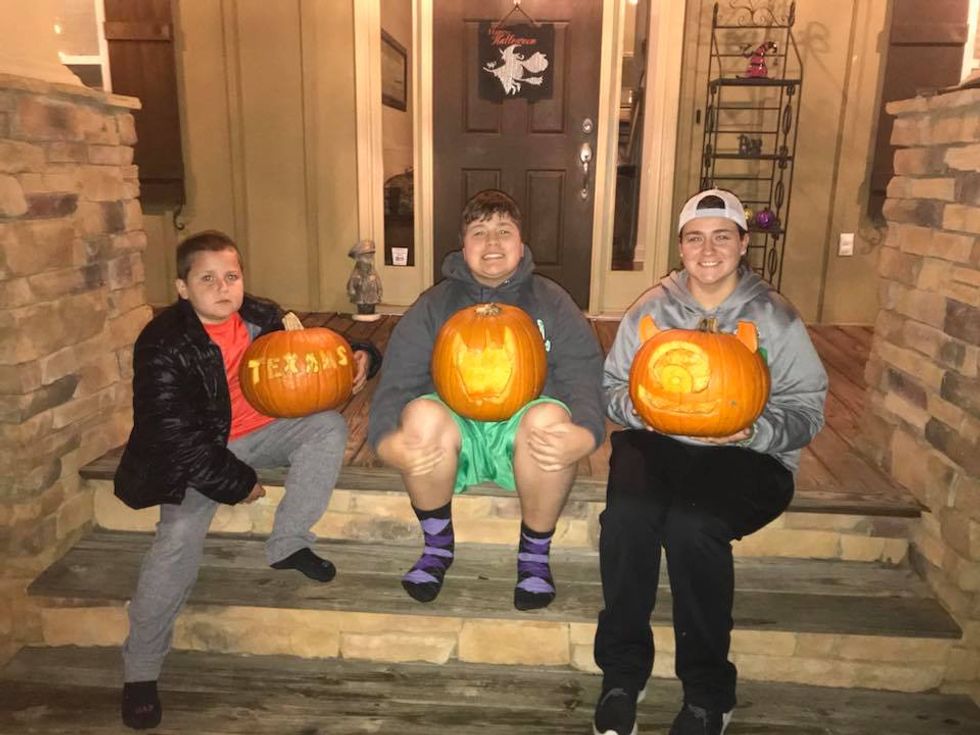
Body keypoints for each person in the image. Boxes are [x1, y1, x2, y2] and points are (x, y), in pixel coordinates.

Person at [114, 230, 381, 730]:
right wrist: (237, 482)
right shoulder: (163, 343)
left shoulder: (261, 316)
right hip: (197, 454)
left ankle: (288, 541)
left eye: (231, 276)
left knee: (326, 426)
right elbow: (174, 435)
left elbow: (314, 348)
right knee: (175, 541)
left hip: (264, 431)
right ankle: (141, 671)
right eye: (207, 279)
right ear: (182, 288)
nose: (223, 287)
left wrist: (363, 354)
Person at [592, 189, 827, 735]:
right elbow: (611, 388)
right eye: (695, 238)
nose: (708, 250)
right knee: (626, 519)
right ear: (681, 247)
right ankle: (622, 674)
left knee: (692, 527)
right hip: (658, 441)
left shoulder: (774, 318)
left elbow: (807, 410)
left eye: (722, 237)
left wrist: (757, 430)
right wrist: (643, 410)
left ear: (743, 244)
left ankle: (707, 693)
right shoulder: (651, 309)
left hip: (748, 455)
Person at [367, 189, 605, 611]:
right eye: (479, 232)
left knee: (551, 420)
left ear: (521, 244)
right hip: (455, 435)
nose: (492, 241)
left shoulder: (551, 300)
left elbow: (583, 371)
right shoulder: (435, 305)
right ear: (464, 247)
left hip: (524, 435)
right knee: (420, 414)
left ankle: (534, 554)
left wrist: (586, 432)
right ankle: (437, 545)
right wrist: (386, 440)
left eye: (504, 231)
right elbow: (398, 380)